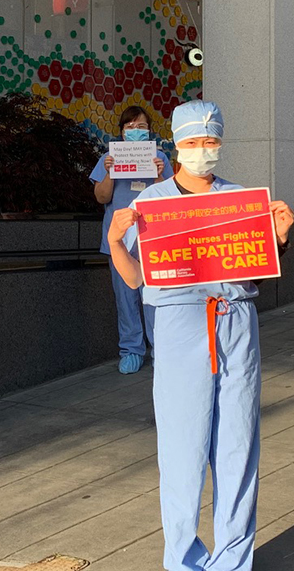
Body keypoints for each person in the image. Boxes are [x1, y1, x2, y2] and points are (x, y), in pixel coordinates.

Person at [106, 100, 294, 571]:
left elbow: (264, 262)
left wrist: (278, 233)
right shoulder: (153, 202)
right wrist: (117, 240)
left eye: (210, 141)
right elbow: (134, 277)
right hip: (179, 330)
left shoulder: (239, 200)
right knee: (182, 455)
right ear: (175, 144)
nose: (202, 151)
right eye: (192, 142)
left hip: (235, 326)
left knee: (236, 449)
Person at [91, 107, 173, 374]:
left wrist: (159, 174)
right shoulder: (109, 158)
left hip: (152, 238)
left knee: (154, 298)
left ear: (149, 130)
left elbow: (171, 198)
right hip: (120, 240)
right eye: (130, 126)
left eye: (141, 126)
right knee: (125, 299)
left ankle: (161, 349)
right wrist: (108, 172)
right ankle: (131, 350)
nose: (136, 131)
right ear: (122, 131)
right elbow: (102, 197)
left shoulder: (159, 157)